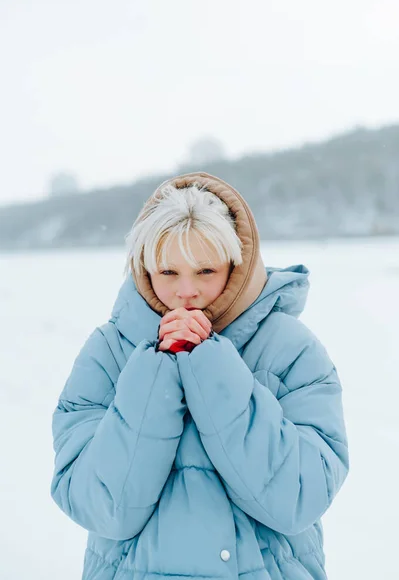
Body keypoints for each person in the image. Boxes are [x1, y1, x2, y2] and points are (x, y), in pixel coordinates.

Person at [50, 172, 349, 580]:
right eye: (169, 272)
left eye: (205, 271)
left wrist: (211, 367)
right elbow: (102, 506)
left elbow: (299, 496)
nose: (185, 292)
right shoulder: (107, 352)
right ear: (144, 268)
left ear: (236, 265)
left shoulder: (291, 349)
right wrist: (154, 373)